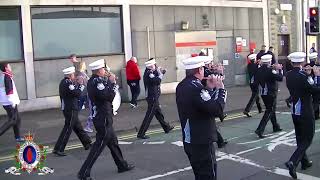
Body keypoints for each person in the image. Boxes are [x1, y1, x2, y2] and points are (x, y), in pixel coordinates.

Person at [78, 59, 134, 180]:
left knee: (113, 143)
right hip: (102, 119)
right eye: (104, 69)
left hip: (104, 117)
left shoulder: (98, 81)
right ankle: (83, 172)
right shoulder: (96, 82)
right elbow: (108, 96)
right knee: (98, 147)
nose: (105, 71)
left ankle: (121, 165)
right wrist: (113, 83)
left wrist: (109, 83)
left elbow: (106, 93)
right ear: (99, 70)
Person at [176, 56, 226, 180]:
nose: (205, 71)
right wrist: (221, 89)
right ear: (199, 70)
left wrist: (208, 88)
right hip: (201, 142)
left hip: (191, 140)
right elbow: (217, 110)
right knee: (208, 175)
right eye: (203, 68)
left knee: (200, 175)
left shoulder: (182, 85)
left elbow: (200, 104)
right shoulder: (196, 88)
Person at [285, 52, 318, 179]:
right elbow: (314, 89)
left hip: (295, 110)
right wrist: (317, 76)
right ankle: (293, 161)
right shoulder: (303, 75)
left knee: (300, 137)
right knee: (308, 138)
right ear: (302, 62)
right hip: (305, 110)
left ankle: (304, 161)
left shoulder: (288, 75)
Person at [53, 66, 92, 156]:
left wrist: (77, 84)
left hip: (69, 108)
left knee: (78, 127)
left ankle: (87, 143)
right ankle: (59, 149)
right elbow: (77, 94)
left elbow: (73, 91)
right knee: (68, 129)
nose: (74, 76)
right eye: (73, 74)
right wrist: (81, 84)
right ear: (70, 75)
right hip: (70, 109)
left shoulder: (65, 82)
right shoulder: (68, 83)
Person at [137, 58, 174, 139]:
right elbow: (156, 81)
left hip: (154, 97)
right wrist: (161, 74)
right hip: (152, 97)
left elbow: (156, 76)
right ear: (150, 66)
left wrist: (160, 72)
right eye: (154, 65)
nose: (156, 66)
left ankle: (166, 127)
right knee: (149, 116)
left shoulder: (151, 72)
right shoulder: (148, 73)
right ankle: (141, 133)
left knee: (159, 114)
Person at [254, 54, 283, 138]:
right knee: (269, 111)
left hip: (263, 93)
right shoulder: (271, 71)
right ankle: (260, 129)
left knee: (271, 109)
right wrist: (280, 70)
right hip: (271, 93)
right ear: (269, 61)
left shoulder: (259, 70)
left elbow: (256, 81)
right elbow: (280, 78)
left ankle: (275, 126)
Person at [202, 58, 228, 148]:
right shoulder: (207, 72)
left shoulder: (206, 71)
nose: (211, 65)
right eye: (210, 64)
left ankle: (220, 141)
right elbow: (217, 78)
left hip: (207, 95)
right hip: (207, 96)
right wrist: (219, 72)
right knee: (210, 123)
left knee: (211, 123)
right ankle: (219, 141)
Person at [0, 63, 24, 142]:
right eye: (9, 66)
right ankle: (17, 137)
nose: (10, 67)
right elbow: (9, 91)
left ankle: (17, 137)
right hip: (10, 102)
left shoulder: (3, 76)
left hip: (7, 102)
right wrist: (13, 102)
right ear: (6, 68)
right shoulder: (7, 77)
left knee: (17, 119)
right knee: (12, 120)